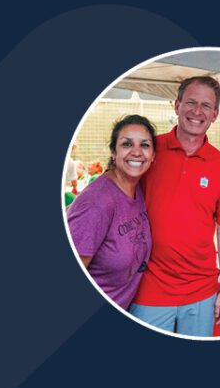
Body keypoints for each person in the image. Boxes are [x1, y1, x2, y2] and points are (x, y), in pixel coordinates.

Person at [128, 75, 220, 336]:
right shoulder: (149, 150)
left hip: (201, 289)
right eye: (190, 102)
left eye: (206, 106)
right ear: (176, 105)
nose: (197, 111)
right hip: (149, 284)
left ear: (215, 114)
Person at [66, 115, 156, 310]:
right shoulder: (96, 203)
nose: (137, 152)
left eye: (145, 145)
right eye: (127, 144)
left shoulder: (136, 189)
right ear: (114, 153)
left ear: (153, 155)